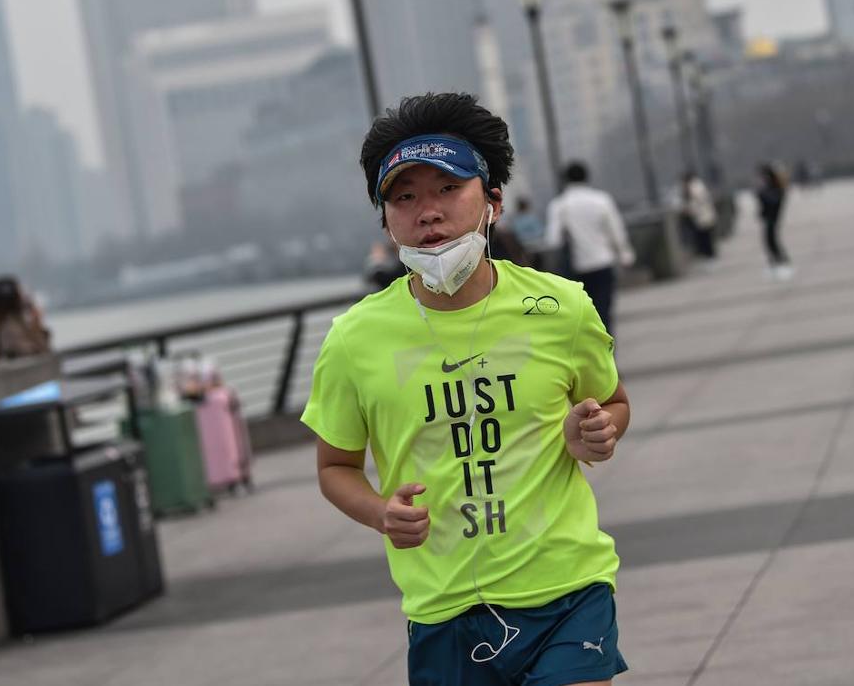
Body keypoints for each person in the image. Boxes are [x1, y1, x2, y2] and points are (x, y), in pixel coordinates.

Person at [301, 92, 632, 686]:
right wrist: (381, 513)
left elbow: (612, 403)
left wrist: (599, 433)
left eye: (448, 189)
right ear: (386, 219)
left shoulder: (561, 307)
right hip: (445, 608)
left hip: (567, 587)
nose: (427, 212)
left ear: (493, 202)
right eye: (404, 197)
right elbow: (335, 467)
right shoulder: (354, 340)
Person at [544, 161, 636, 337]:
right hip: (603, 263)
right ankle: (607, 355)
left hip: (575, 270)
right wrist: (625, 254)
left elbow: (552, 240)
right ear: (587, 177)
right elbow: (616, 230)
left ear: (565, 180)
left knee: (581, 317)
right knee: (604, 313)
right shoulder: (601, 200)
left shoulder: (559, 206)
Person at [0, 276, 51, 360]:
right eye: (21, 292)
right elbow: (38, 356)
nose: (25, 296)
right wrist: (36, 326)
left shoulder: (5, 326)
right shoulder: (9, 329)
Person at [756, 162, 792, 279]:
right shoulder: (770, 186)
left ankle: (782, 262)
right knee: (769, 241)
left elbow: (773, 201)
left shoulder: (775, 186)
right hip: (769, 218)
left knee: (772, 241)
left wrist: (761, 194)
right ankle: (775, 262)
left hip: (773, 218)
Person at [676, 173, 718, 259]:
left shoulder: (694, 187)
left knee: (705, 235)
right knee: (706, 235)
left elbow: (696, 201)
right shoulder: (698, 185)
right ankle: (709, 252)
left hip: (702, 215)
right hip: (703, 214)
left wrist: (689, 209)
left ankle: (708, 253)